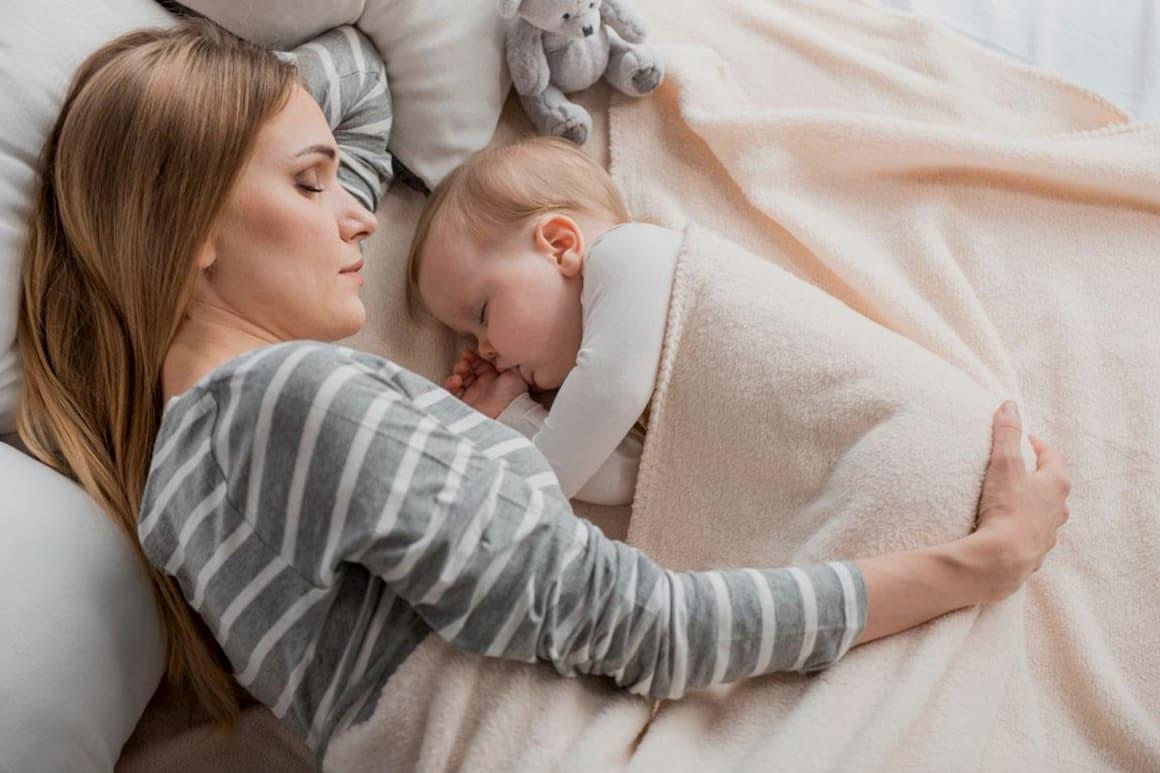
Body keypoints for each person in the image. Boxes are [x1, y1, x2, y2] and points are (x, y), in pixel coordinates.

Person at [15, 16, 1070, 766]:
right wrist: (977, 561)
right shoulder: (300, 403)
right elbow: (651, 631)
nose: (359, 215)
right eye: (307, 183)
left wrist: (229, 96)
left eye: (335, 178)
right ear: (190, 227)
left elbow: (362, 99)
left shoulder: (176, 475)